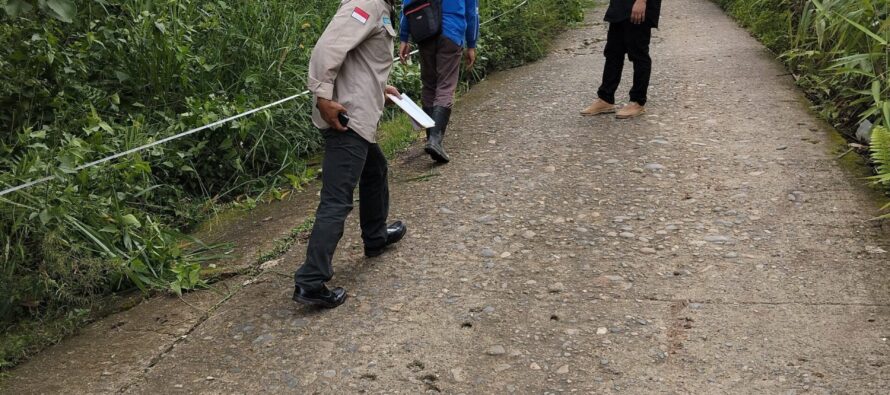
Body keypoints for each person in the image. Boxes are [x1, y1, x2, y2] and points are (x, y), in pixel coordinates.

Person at [293, 0, 407, 309]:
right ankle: (311, 280)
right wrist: (322, 98)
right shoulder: (365, 4)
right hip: (348, 120)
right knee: (337, 199)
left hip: (359, 116)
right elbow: (326, 50)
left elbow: (359, 62)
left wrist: (380, 88)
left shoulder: (378, 7)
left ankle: (375, 236)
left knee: (375, 169)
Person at [398, 0, 479, 164]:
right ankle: (435, 140)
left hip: (425, 29)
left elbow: (407, 4)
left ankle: (430, 137)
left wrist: (404, 37)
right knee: (445, 86)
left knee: (429, 86)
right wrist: (471, 44)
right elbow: (472, 11)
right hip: (451, 30)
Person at [581, 0, 662, 119]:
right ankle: (606, 99)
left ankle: (637, 102)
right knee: (613, 52)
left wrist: (641, 1)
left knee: (638, 54)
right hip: (620, 6)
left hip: (638, 5)